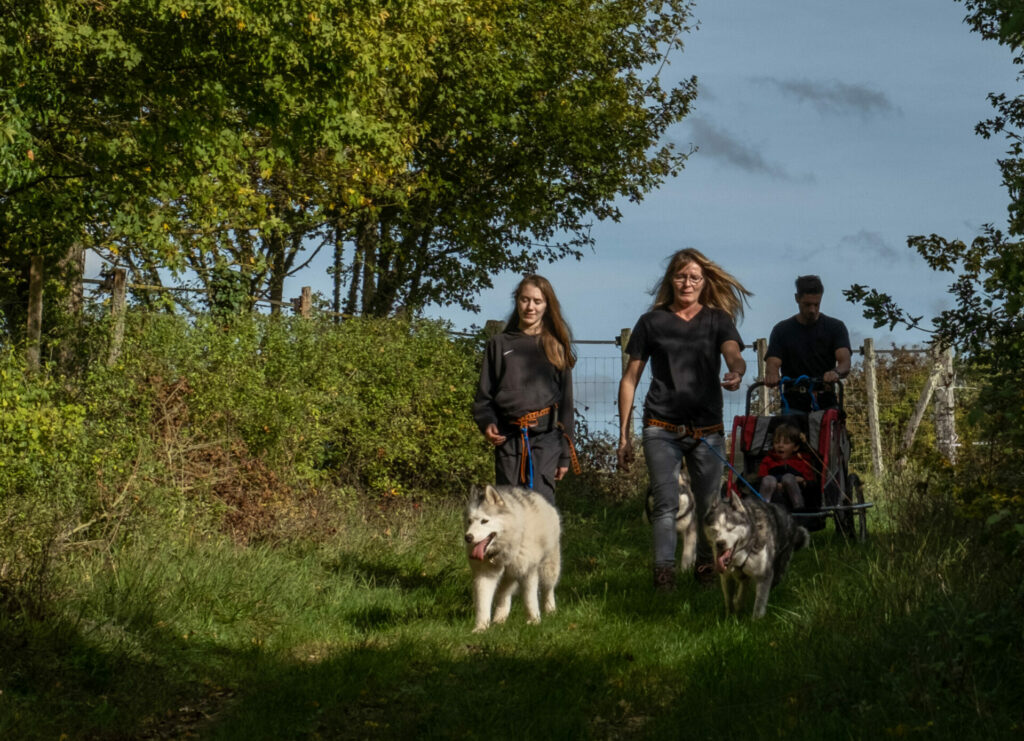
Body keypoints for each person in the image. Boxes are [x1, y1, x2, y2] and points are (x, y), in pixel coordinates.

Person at [617, 248, 750, 590]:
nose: (687, 283)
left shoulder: (717, 319)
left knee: (709, 505)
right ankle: (664, 576)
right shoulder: (651, 322)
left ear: (704, 282)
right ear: (670, 280)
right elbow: (629, 379)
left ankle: (705, 571)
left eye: (694, 277)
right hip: (661, 427)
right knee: (665, 503)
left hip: (708, 430)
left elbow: (734, 354)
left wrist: (736, 372)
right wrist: (624, 436)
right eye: (680, 276)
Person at [472, 275, 578, 506]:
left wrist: (564, 455)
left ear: (547, 305)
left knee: (540, 507)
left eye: (537, 301)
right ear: (517, 301)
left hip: (546, 438)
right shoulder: (499, 344)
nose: (530, 307)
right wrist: (487, 422)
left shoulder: (556, 347)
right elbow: (483, 398)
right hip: (508, 438)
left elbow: (567, 406)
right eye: (525, 300)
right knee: (507, 509)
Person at [764, 275, 851, 412]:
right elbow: (772, 362)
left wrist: (835, 372)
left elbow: (845, 362)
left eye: (816, 305)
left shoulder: (835, 327)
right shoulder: (782, 330)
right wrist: (772, 374)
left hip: (825, 401)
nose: (812, 310)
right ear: (797, 299)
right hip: (793, 402)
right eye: (807, 304)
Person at [757, 423, 817, 510]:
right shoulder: (768, 460)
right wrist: (777, 485)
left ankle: (799, 510)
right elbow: (759, 483)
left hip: (796, 496)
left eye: (786, 443)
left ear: (795, 447)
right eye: (776, 442)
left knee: (788, 478)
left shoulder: (802, 461)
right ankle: (762, 511)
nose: (780, 445)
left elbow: (812, 486)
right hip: (773, 498)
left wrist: (802, 481)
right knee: (768, 480)